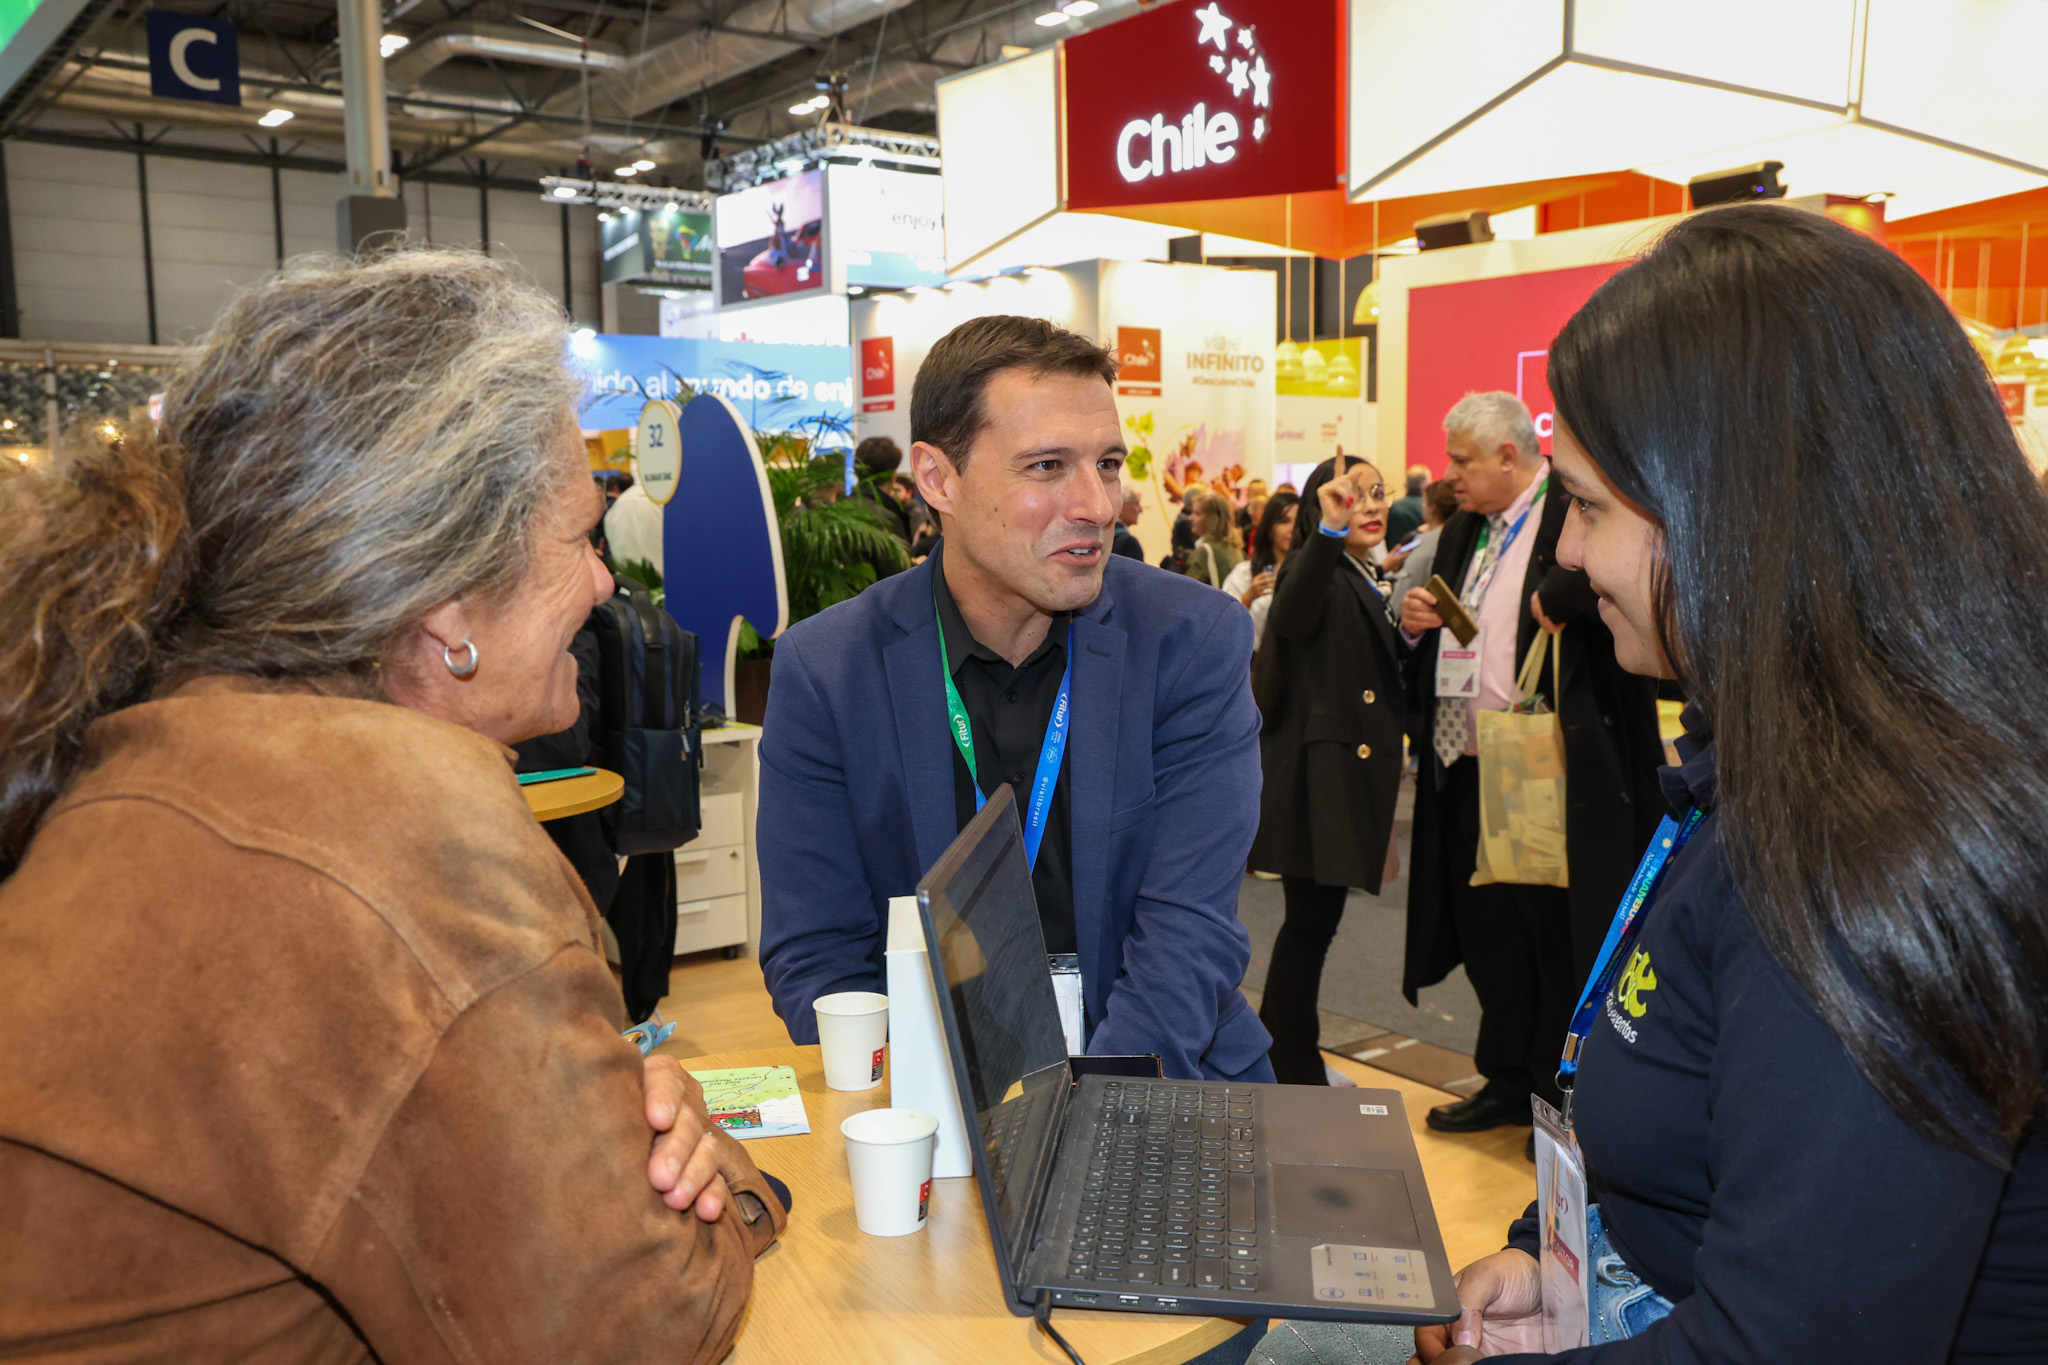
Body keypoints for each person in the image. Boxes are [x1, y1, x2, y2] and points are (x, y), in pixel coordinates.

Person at [1272, 198, 2048, 1365]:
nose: (1571, 556)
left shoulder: (1869, 858)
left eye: (1585, 506)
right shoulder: (1789, 773)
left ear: (1737, 507)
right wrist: (1558, 1265)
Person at [0, 250, 786, 1360]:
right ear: (447, 610)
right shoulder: (391, 820)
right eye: (578, 540)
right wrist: (736, 1187)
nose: (607, 585)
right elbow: (633, 1330)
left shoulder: (168, 743)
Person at [757, 314, 1273, 1081]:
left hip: (1160, 1082)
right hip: (935, 1106)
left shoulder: (1191, 641)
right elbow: (820, 951)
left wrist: (1092, 1116)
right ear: (939, 480)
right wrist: (941, 1107)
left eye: (1106, 462)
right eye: (1047, 466)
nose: (1097, 505)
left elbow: (1188, 936)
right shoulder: (830, 669)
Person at [1399, 392, 1664, 1135]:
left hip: (1544, 766)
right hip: (1465, 758)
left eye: (1463, 461)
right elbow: (1451, 621)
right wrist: (1415, 620)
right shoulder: (1463, 531)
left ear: (1510, 456)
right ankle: (1507, 1078)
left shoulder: (1569, 514)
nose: (1452, 476)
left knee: (1554, 936)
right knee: (1489, 934)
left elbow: (1630, 577)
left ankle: (1558, 1094)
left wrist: (1568, 590)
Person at [1246, 459, 1406, 1085]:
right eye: (1349, 494)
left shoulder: (1361, 574)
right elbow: (1291, 613)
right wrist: (1330, 534)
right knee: (1309, 928)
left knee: (1311, 928)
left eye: (1376, 493)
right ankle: (1290, 1059)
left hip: (1335, 779)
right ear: (1322, 506)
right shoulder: (1320, 566)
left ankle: (1285, 1049)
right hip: (1319, 783)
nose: (1369, 504)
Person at [1221, 489, 1298, 651]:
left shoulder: (1312, 572)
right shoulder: (1245, 573)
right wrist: (1248, 598)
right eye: (1284, 521)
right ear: (1270, 529)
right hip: (1257, 665)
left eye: (1298, 523)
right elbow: (1222, 625)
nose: (1293, 529)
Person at [1385, 477, 1457, 600]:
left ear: (1432, 508)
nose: (1422, 506)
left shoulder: (1424, 543)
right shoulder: (1460, 537)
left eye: (1424, 502)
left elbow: (1404, 592)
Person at [1185, 487, 1245, 588]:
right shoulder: (1236, 548)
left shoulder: (1204, 551)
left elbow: (1188, 591)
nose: (1191, 518)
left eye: (1197, 513)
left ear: (1212, 519)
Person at [1385, 465, 1430, 546]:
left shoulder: (1394, 507)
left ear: (1406, 484)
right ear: (1426, 484)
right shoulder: (1429, 508)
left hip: (1394, 554)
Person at [1111, 484, 1145, 559]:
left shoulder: (1102, 537)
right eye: (1136, 504)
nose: (1140, 510)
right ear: (1121, 507)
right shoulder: (1129, 543)